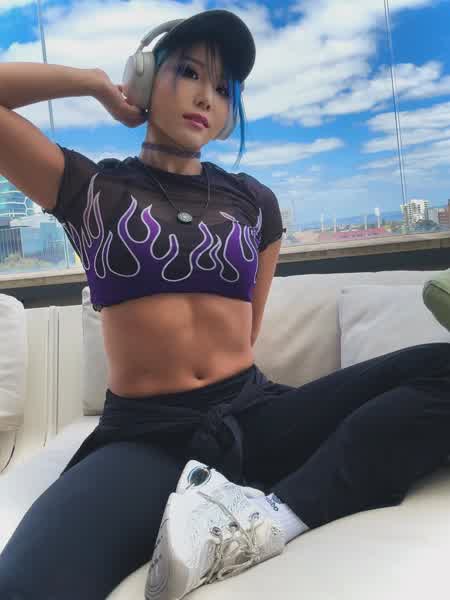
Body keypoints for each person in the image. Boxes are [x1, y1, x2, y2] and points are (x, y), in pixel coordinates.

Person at [1, 8, 450, 600]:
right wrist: (93, 83)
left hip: (257, 415)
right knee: (22, 585)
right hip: (146, 437)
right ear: (144, 79)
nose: (205, 97)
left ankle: (271, 517)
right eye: (188, 72)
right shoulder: (93, 189)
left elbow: (247, 331)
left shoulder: (255, 202)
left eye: (222, 88)